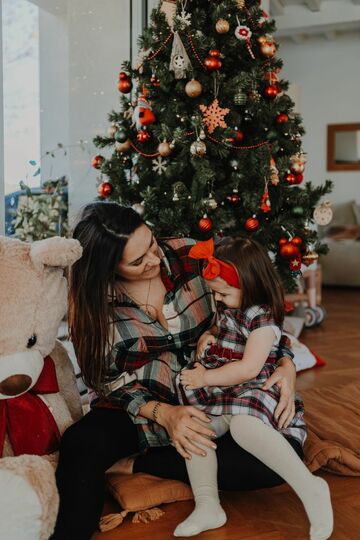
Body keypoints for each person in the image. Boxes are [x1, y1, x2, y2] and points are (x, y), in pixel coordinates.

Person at [52, 202, 300, 540]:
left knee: (277, 457)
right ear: (106, 268)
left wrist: (286, 363)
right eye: (138, 261)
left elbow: (259, 304)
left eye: (151, 243)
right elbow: (104, 380)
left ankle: (138, 465)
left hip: (220, 396)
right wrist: (165, 413)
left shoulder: (194, 256)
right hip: (144, 404)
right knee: (80, 445)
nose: (154, 259)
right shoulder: (91, 302)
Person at [173, 237, 333, 540]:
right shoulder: (232, 305)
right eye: (215, 293)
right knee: (195, 428)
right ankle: (208, 505)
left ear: (251, 283)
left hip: (256, 388)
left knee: (244, 426)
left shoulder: (263, 319)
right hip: (228, 390)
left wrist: (205, 378)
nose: (218, 299)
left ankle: (310, 487)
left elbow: (249, 368)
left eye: (223, 293)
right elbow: (225, 332)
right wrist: (210, 334)